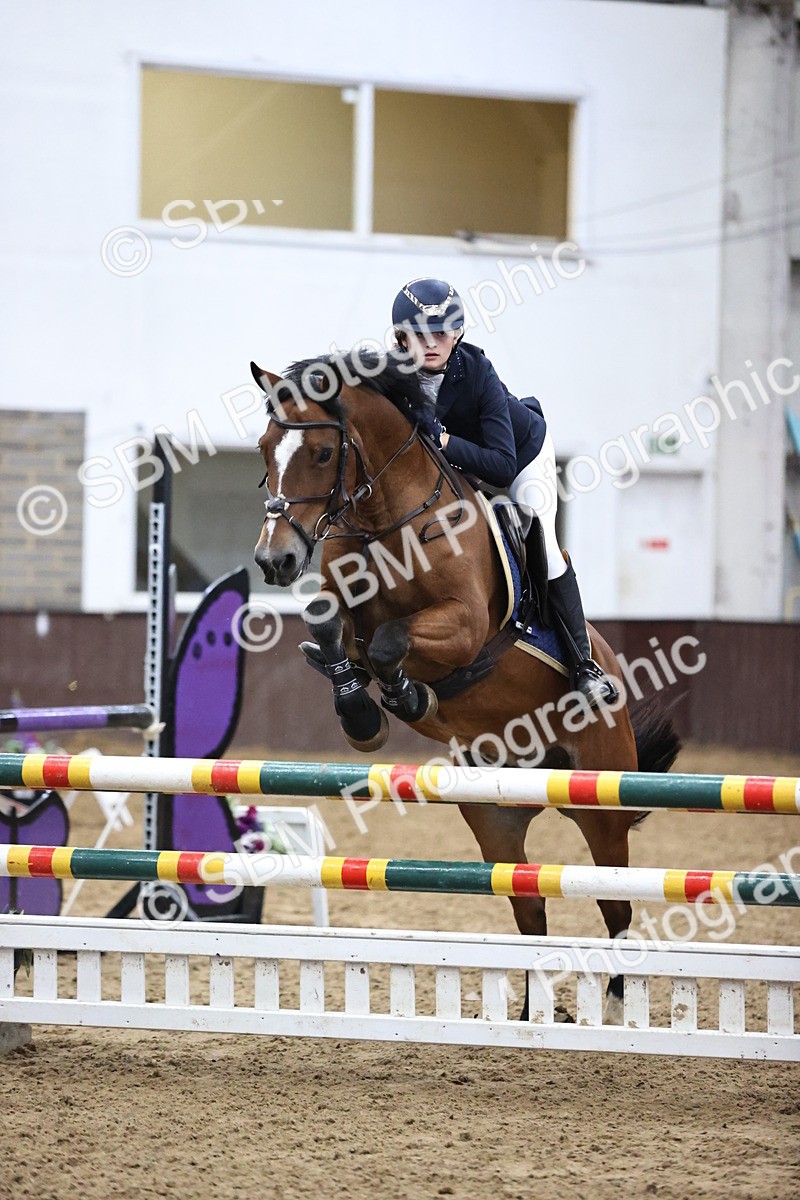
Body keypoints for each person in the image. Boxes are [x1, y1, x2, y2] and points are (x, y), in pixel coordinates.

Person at [391, 276, 617, 708]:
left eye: (442, 333)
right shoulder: (393, 375)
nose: (433, 343)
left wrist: (444, 443)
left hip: (521, 456)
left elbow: (501, 464)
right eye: (421, 334)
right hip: (459, 473)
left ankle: (585, 668)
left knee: (543, 541)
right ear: (401, 337)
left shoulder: (477, 372)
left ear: (457, 333)